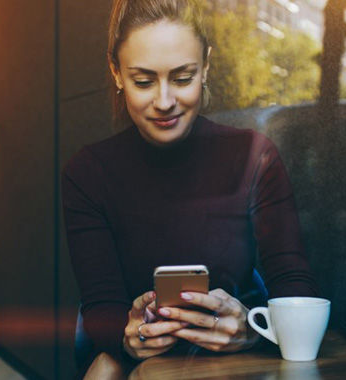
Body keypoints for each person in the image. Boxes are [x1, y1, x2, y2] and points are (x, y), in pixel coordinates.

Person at [61, 0, 319, 378]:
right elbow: (100, 306)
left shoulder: (253, 156)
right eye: (144, 81)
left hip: (238, 365)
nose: (164, 102)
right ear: (116, 72)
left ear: (206, 67)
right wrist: (126, 336)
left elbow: (296, 288)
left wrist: (251, 329)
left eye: (182, 78)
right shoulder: (88, 173)